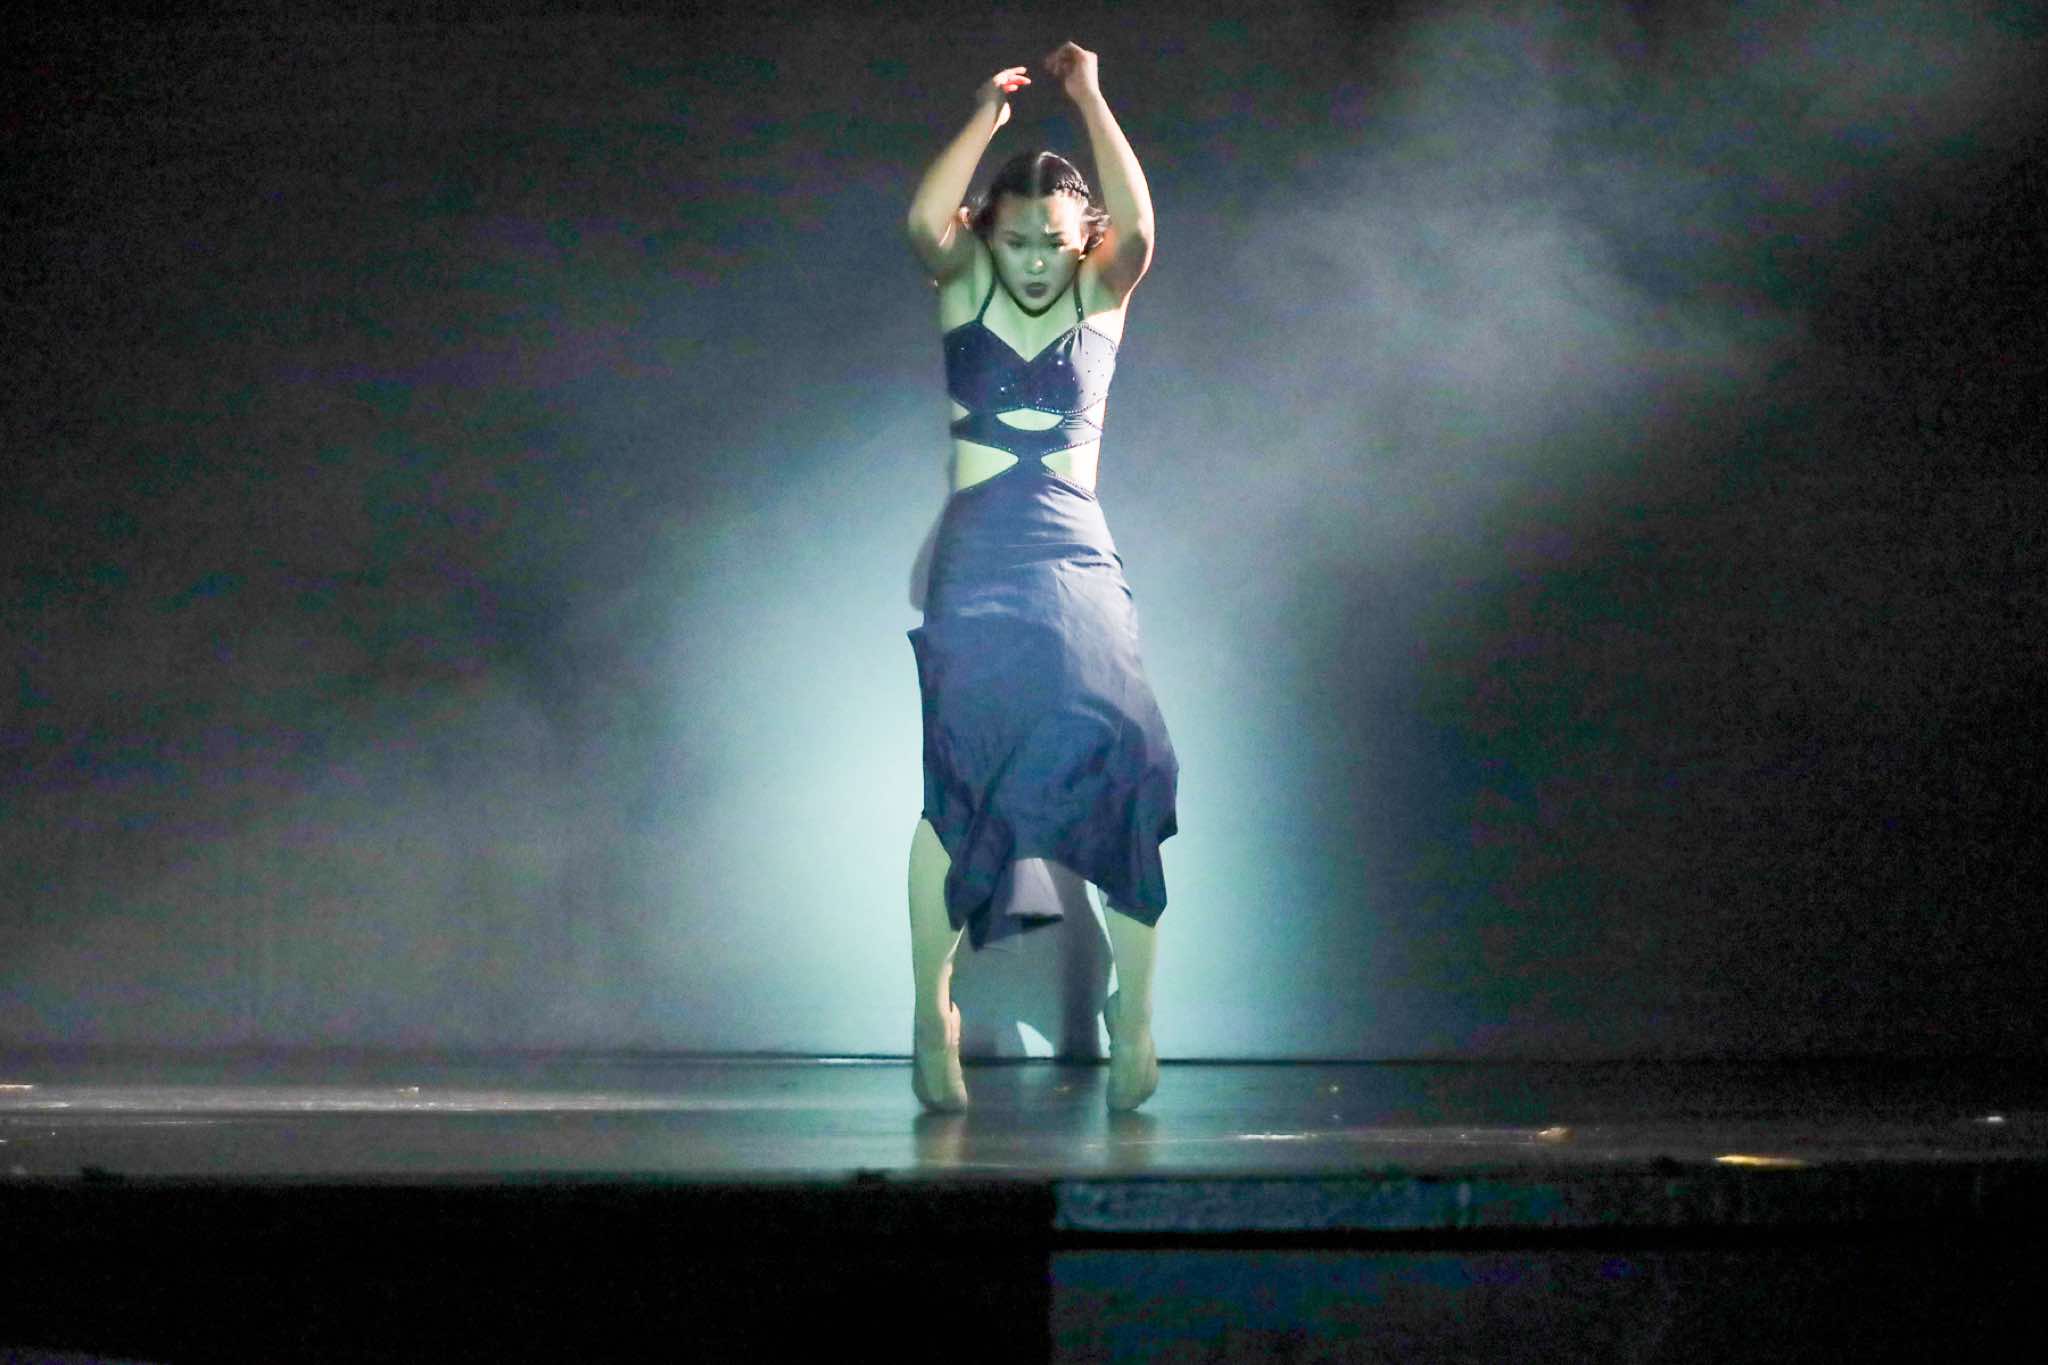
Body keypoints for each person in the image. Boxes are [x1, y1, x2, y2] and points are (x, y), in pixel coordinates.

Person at [903, 42, 1179, 1113]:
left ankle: (1134, 1011)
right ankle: (930, 1012)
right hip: (980, 553)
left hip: (1072, 547)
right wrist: (985, 115)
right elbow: (923, 224)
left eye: (1051, 244)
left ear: (1081, 241)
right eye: (1015, 239)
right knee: (960, 774)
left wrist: (1090, 96)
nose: (1031, 261)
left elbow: (1139, 230)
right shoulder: (965, 280)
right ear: (991, 233)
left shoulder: (1101, 292)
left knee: (1128, 755)